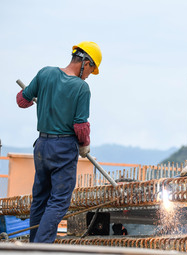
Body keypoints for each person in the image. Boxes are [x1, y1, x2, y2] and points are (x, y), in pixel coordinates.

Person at [16, 41, 102, 243]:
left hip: (42, 147)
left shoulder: (45, 73)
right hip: (62, 148)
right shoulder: (82, 88)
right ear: (86, 63)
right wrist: (84, 144)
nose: (89, 75)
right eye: (91, 70)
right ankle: (42, 247)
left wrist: (42, 96)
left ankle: (32, 246)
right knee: (58, 201)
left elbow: (22, 101)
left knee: (40, 199)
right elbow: (80, 126)